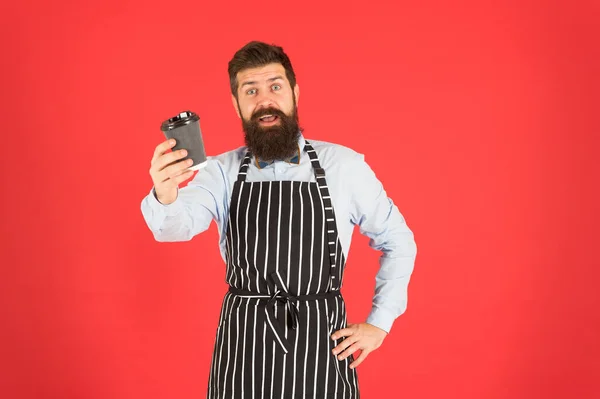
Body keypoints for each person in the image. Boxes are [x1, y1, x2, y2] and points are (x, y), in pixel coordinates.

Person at [140, 41, 417, 399]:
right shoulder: (220, 172)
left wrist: (380, 323)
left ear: (294, 93)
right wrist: (165, 193)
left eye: (275, 86)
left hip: (321, 346)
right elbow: (172, 228)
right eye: (250, 90)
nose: (264, 100)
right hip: (243, 348)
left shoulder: (344, 166)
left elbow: (398, 240)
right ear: (236, 103)